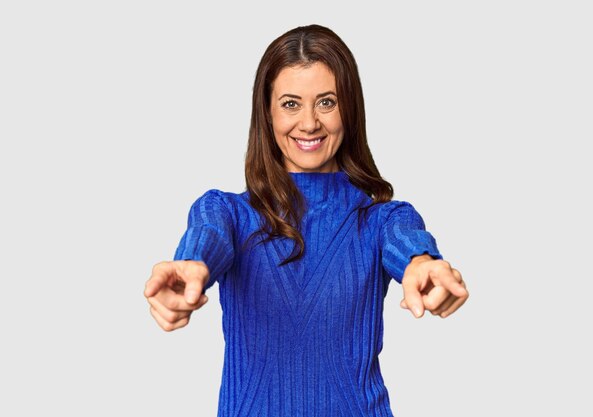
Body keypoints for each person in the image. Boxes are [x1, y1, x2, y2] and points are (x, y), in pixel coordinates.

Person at [144, 24, 468, 416]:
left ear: (349, 108)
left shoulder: (380, 220)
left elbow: (408, 243)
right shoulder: (231, 213)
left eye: (327, 102)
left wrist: (423, 265)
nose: (310, 123)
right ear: (267, 112)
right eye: (291, 103)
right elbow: (209, 233)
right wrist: (192, 265)